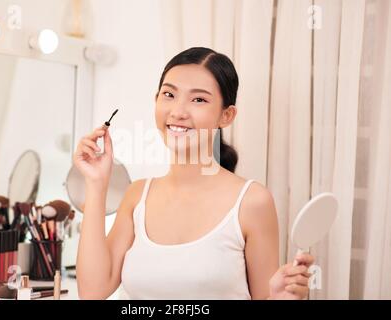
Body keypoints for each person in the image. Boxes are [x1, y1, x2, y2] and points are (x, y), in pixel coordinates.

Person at [75, 47, 314, 300]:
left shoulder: (252, 201)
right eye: (169, 94)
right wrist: (96, 183)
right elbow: (92, 291)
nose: (178, 111)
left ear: (226, 115)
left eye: (198, 99)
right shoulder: (137, 196)